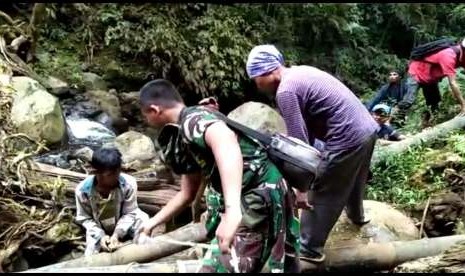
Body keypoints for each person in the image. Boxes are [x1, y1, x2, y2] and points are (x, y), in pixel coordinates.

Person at [136, 79, 300, 273]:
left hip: (257, 198)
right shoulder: (188, 129)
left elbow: (225, 140)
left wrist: (232, 213)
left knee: (219, 267)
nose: (147, 121)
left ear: (155, 110)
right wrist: (152, 223)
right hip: (265, 194)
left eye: (145, 115)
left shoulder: (193, 121)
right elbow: (187, 193)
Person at [246, 45, 379, 263]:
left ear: (267, 72)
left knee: (323, 188)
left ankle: (309, 249)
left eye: (255, 78)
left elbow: (299, 143)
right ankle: (357, 216)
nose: (256, 84)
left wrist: (302, 189)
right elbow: (308, 127)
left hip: (347, 137)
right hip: (367, 129)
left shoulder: (286, 92)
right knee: (355, 178)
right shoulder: (301, 72)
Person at [75, 147, 149, 256]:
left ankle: (142, 250)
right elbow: (85, 218)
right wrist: (101, 236)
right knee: (91, 254)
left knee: (143, 219)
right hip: (98, 226)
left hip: (123, 222)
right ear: (97, 173)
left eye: (118, 171)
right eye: (110, 174)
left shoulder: (128, 183)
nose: (116, 176)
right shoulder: (82, 191)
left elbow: (130, 212)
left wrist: (117, 234)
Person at [405, 38, 465, 124]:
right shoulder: (448, 55)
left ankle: (429, 123)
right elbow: (452, 83)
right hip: (417, 72)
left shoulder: (462, 56)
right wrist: (463, 104)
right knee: (408, 101)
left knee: (434, 103)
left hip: (430, 77)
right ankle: (391, 122)